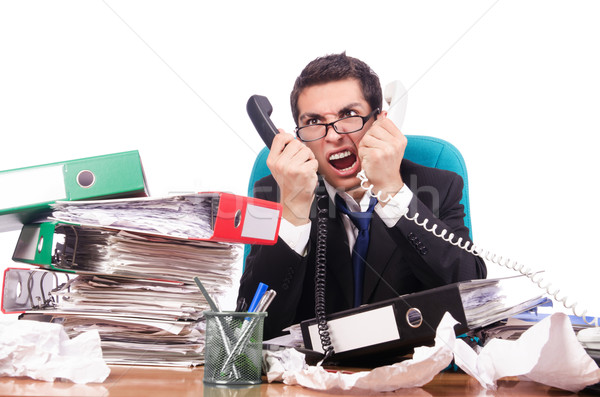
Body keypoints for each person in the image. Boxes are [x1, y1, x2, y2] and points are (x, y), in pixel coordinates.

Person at [238, 52, 487, 341]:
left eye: (348, 115)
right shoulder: (272, 194)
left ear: (380, 123)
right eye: (314, 121)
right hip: (311, 380)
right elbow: (249, 331)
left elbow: (474, 302)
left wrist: (392, 193)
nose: (333, 135)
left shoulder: (439, 186)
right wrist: (293, 211)